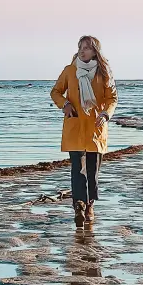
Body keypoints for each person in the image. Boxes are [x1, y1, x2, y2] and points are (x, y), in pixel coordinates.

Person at [50, 36, 118, 227]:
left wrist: (106, 114)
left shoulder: (104, 73)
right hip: (75, 125)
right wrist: (65, 104)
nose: (82, 51)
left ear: (95, 51)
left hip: (96, 127)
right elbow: (55, 92)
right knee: (77, 170)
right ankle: (78, 205)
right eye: (80, 47)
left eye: (87, 48)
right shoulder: (70, 71)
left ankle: (89, 205)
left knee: (92, 172)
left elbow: (112, 98)